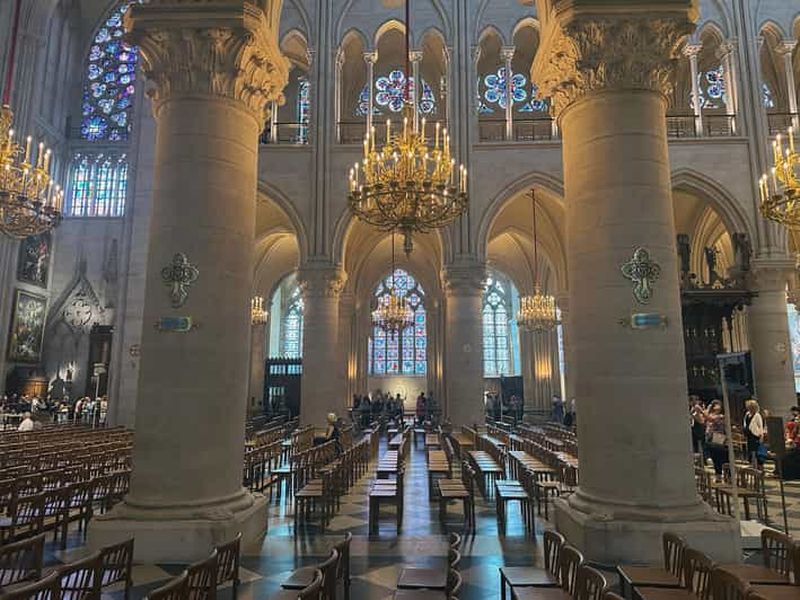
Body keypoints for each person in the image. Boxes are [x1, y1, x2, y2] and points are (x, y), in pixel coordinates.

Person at [704, 400, 727, 480]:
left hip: (718, 437)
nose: (717, 406)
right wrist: (708, 408)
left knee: (719, 456)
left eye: (719, 405)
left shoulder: (721, 416)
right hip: (710, 437)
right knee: (714, 457)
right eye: (716, 405)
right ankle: (718, 474)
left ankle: (721, 474)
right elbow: (705, 418)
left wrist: (704, 409)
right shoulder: (710, 414)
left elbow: (710, 418)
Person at [743, 399, 765, 466]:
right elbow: (745, 423)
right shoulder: (747, 414)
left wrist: (761, 436)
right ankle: (751, 464)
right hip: (749, 434)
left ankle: (759, 465)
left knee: (756, 451)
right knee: (750, 450)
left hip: (755, 435)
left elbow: (760, 426)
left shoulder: (757, 415)